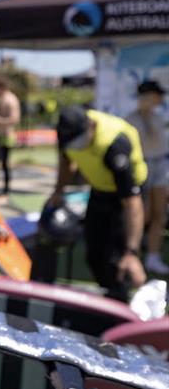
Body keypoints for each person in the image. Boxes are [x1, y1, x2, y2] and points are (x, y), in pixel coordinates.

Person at [49, 106, 148, 301]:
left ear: (91, 127)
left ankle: (120, 305)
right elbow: (66, 161)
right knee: (93, 254)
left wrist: (132, 252)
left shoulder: (115, 145)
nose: (76, 147)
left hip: (124, 197)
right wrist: (58, 191)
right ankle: (106, 297)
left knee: (116, 261)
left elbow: (132, 204)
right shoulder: (68, 135)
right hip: (98, 190)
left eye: (78, 142)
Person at [126, 80, 168, 275]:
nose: (161, 99)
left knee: (160, 212)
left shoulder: (160, 117)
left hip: (161, 164)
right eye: (157, 95)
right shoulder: (132, 119)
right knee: (144, 212)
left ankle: (153, 256)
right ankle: (135, 252)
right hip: (142, 166)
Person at [0, 74, 21, 199]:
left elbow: (15, 119)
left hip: (6, 136)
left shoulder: (10, 100)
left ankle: (5, 191)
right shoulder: (1, 98)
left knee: (4, 164)